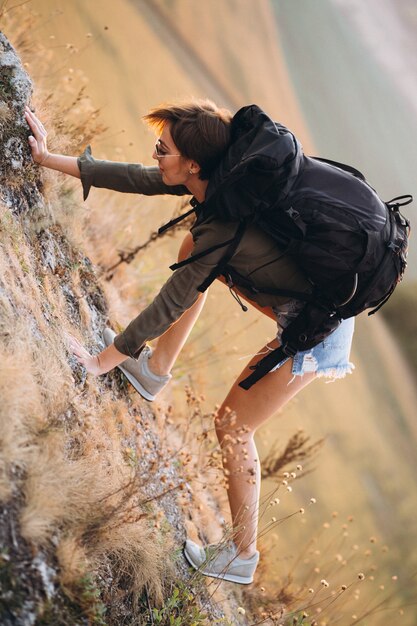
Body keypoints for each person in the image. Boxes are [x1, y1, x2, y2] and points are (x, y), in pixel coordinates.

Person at [25, 100, 354, 585]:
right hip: (304, 306)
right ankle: (154, 372)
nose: (155, 155)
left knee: (233, 426)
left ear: (192, 164)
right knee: (189, 249)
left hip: (317, 331)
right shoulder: (216, 185)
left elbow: (170, 302)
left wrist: (103, 360)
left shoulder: (222, 224)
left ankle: (243, 555)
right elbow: (136, 178)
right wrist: (46, 158)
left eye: (163, 148)